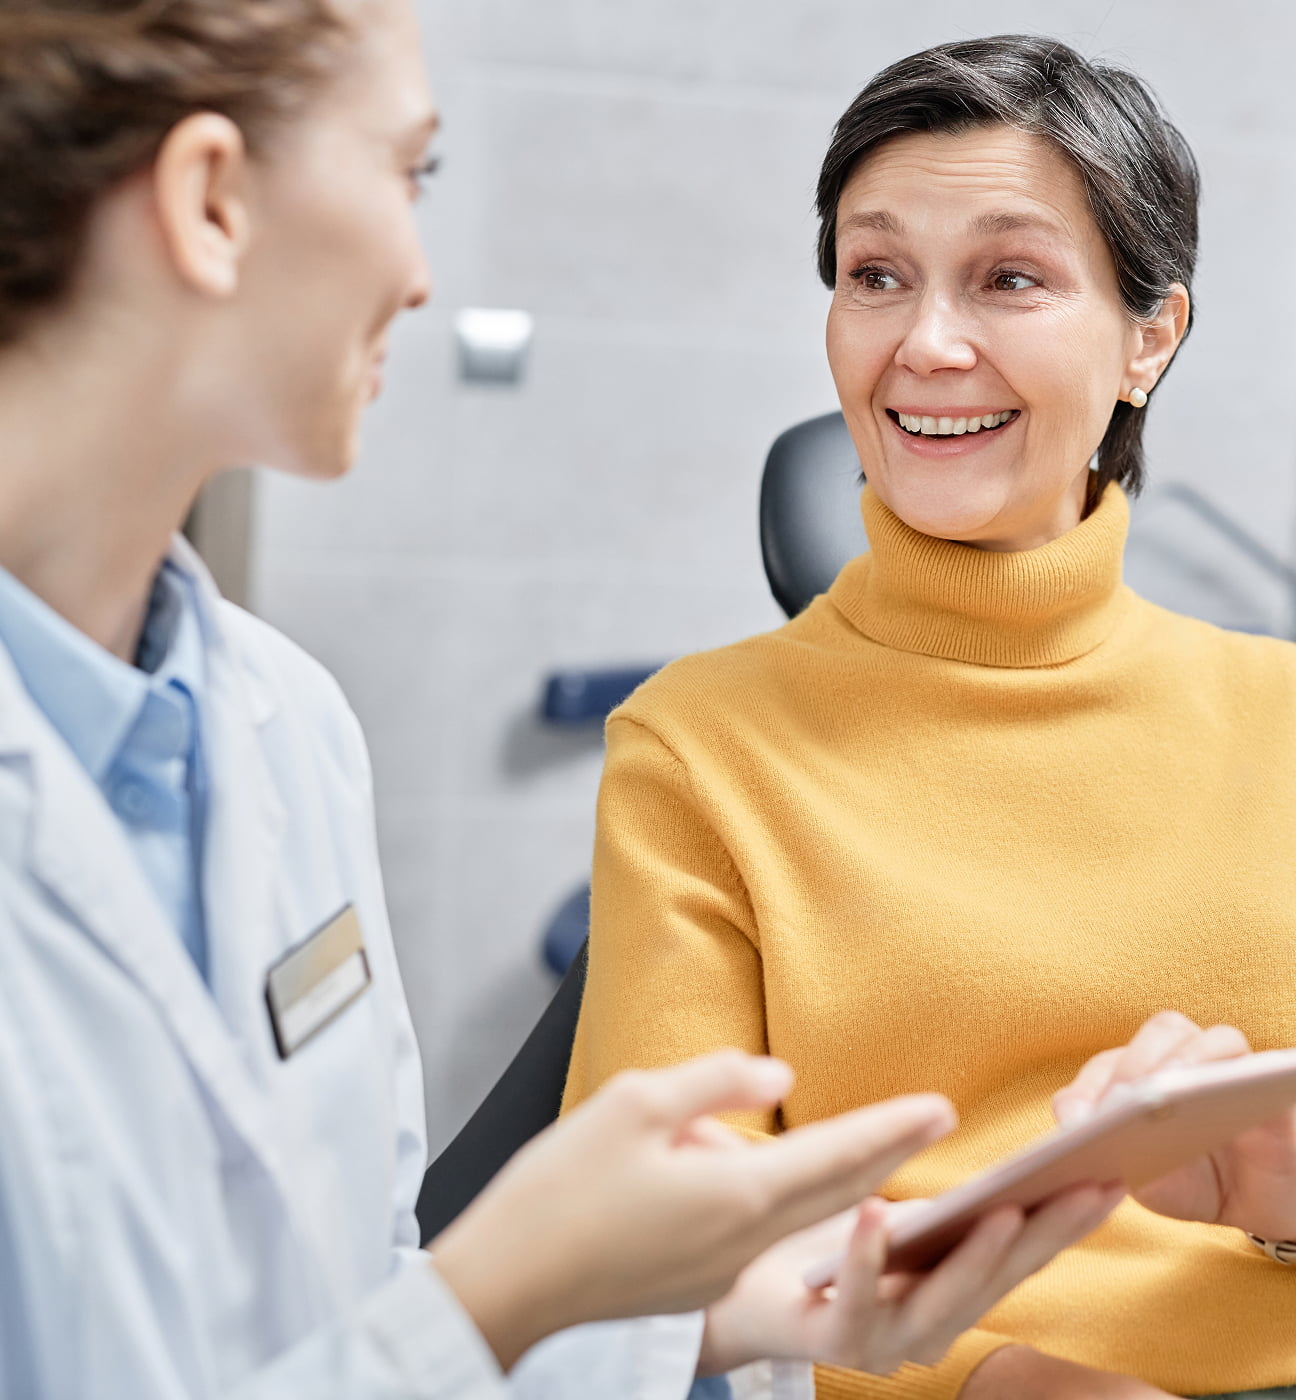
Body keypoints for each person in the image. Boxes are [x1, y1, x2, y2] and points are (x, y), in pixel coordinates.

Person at [0, 4, 1123, 1398]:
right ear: (213, 201)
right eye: (410, 175)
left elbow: (350, 1308)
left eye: (1010, 280)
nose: (420, 274)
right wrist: (510, 1286)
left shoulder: (284, 725)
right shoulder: (703, 743)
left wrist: (725, 1319)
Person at [565, 34, 1296, 1400]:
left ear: (1151, 336)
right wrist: (994, 1377)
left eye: (1010, 277)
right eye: (876, 276)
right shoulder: (701, 747)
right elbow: (661, 1256)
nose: (925, 343)